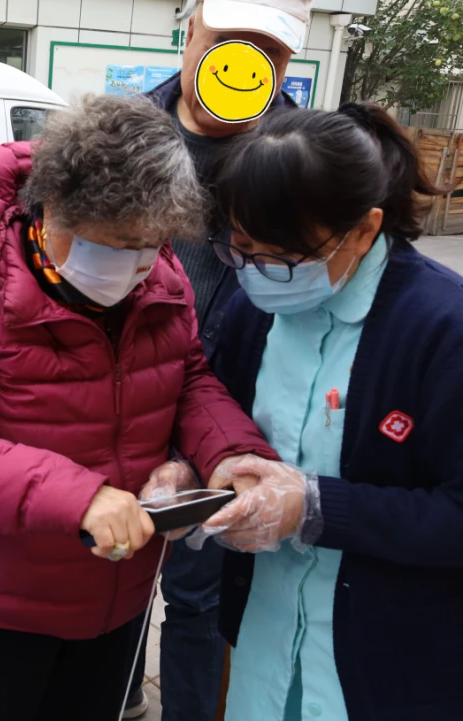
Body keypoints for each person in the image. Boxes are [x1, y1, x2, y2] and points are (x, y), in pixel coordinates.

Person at [0, 95, 277, 721]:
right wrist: (80, 497)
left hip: (119, 590)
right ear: (52, 211)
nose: (137, 265)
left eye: (152, 245)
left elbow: (188, 379)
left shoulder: (162, 282)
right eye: (117, 245)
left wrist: (230, 453)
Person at [203, 104, 462, 719]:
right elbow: (212, 406)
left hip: (386, 656)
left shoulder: (441, 329)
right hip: (263, 631)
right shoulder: (253, 308)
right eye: (242, 247)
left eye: (286, 256)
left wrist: (316, 508)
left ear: (365, 230)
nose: (260, 272)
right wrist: (190, 471)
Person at [133, 0, 307, 716]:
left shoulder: (300, 154)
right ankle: (116, 691)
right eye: (231, 38)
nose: (246, 64)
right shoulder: (127, 133)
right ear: (191, 30)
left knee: (197, 598)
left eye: (271, 49)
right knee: (112, 565)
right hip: (119, 398)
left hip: (230, 413)